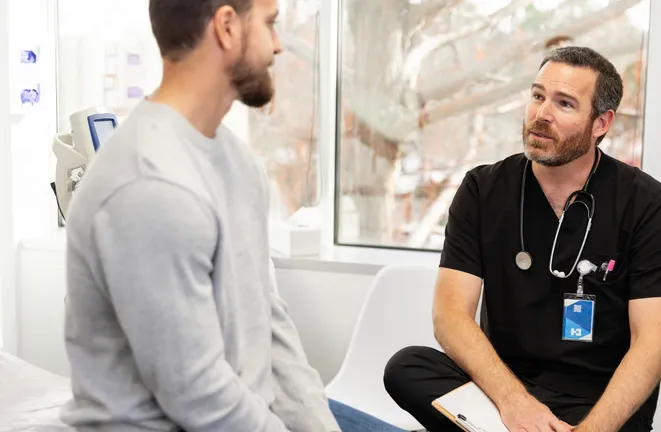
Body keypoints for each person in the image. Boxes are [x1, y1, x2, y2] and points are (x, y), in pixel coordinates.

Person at [59, 0, 403, 431]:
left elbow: (270, 325)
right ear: (226, 27)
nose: (279, 46)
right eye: (270, 24)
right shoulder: (148, 184)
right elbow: (197, 394)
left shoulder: (237, 161)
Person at [383, 46, 661, 432]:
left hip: (597, 402)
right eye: (538, 96)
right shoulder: (483, 189)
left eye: (564, 104)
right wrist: (514, 402)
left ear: (600, 123)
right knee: (408, 367)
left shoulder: (644, 202)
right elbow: (450, 317)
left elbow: (653, 343)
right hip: (502, 392)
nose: (541, 114)